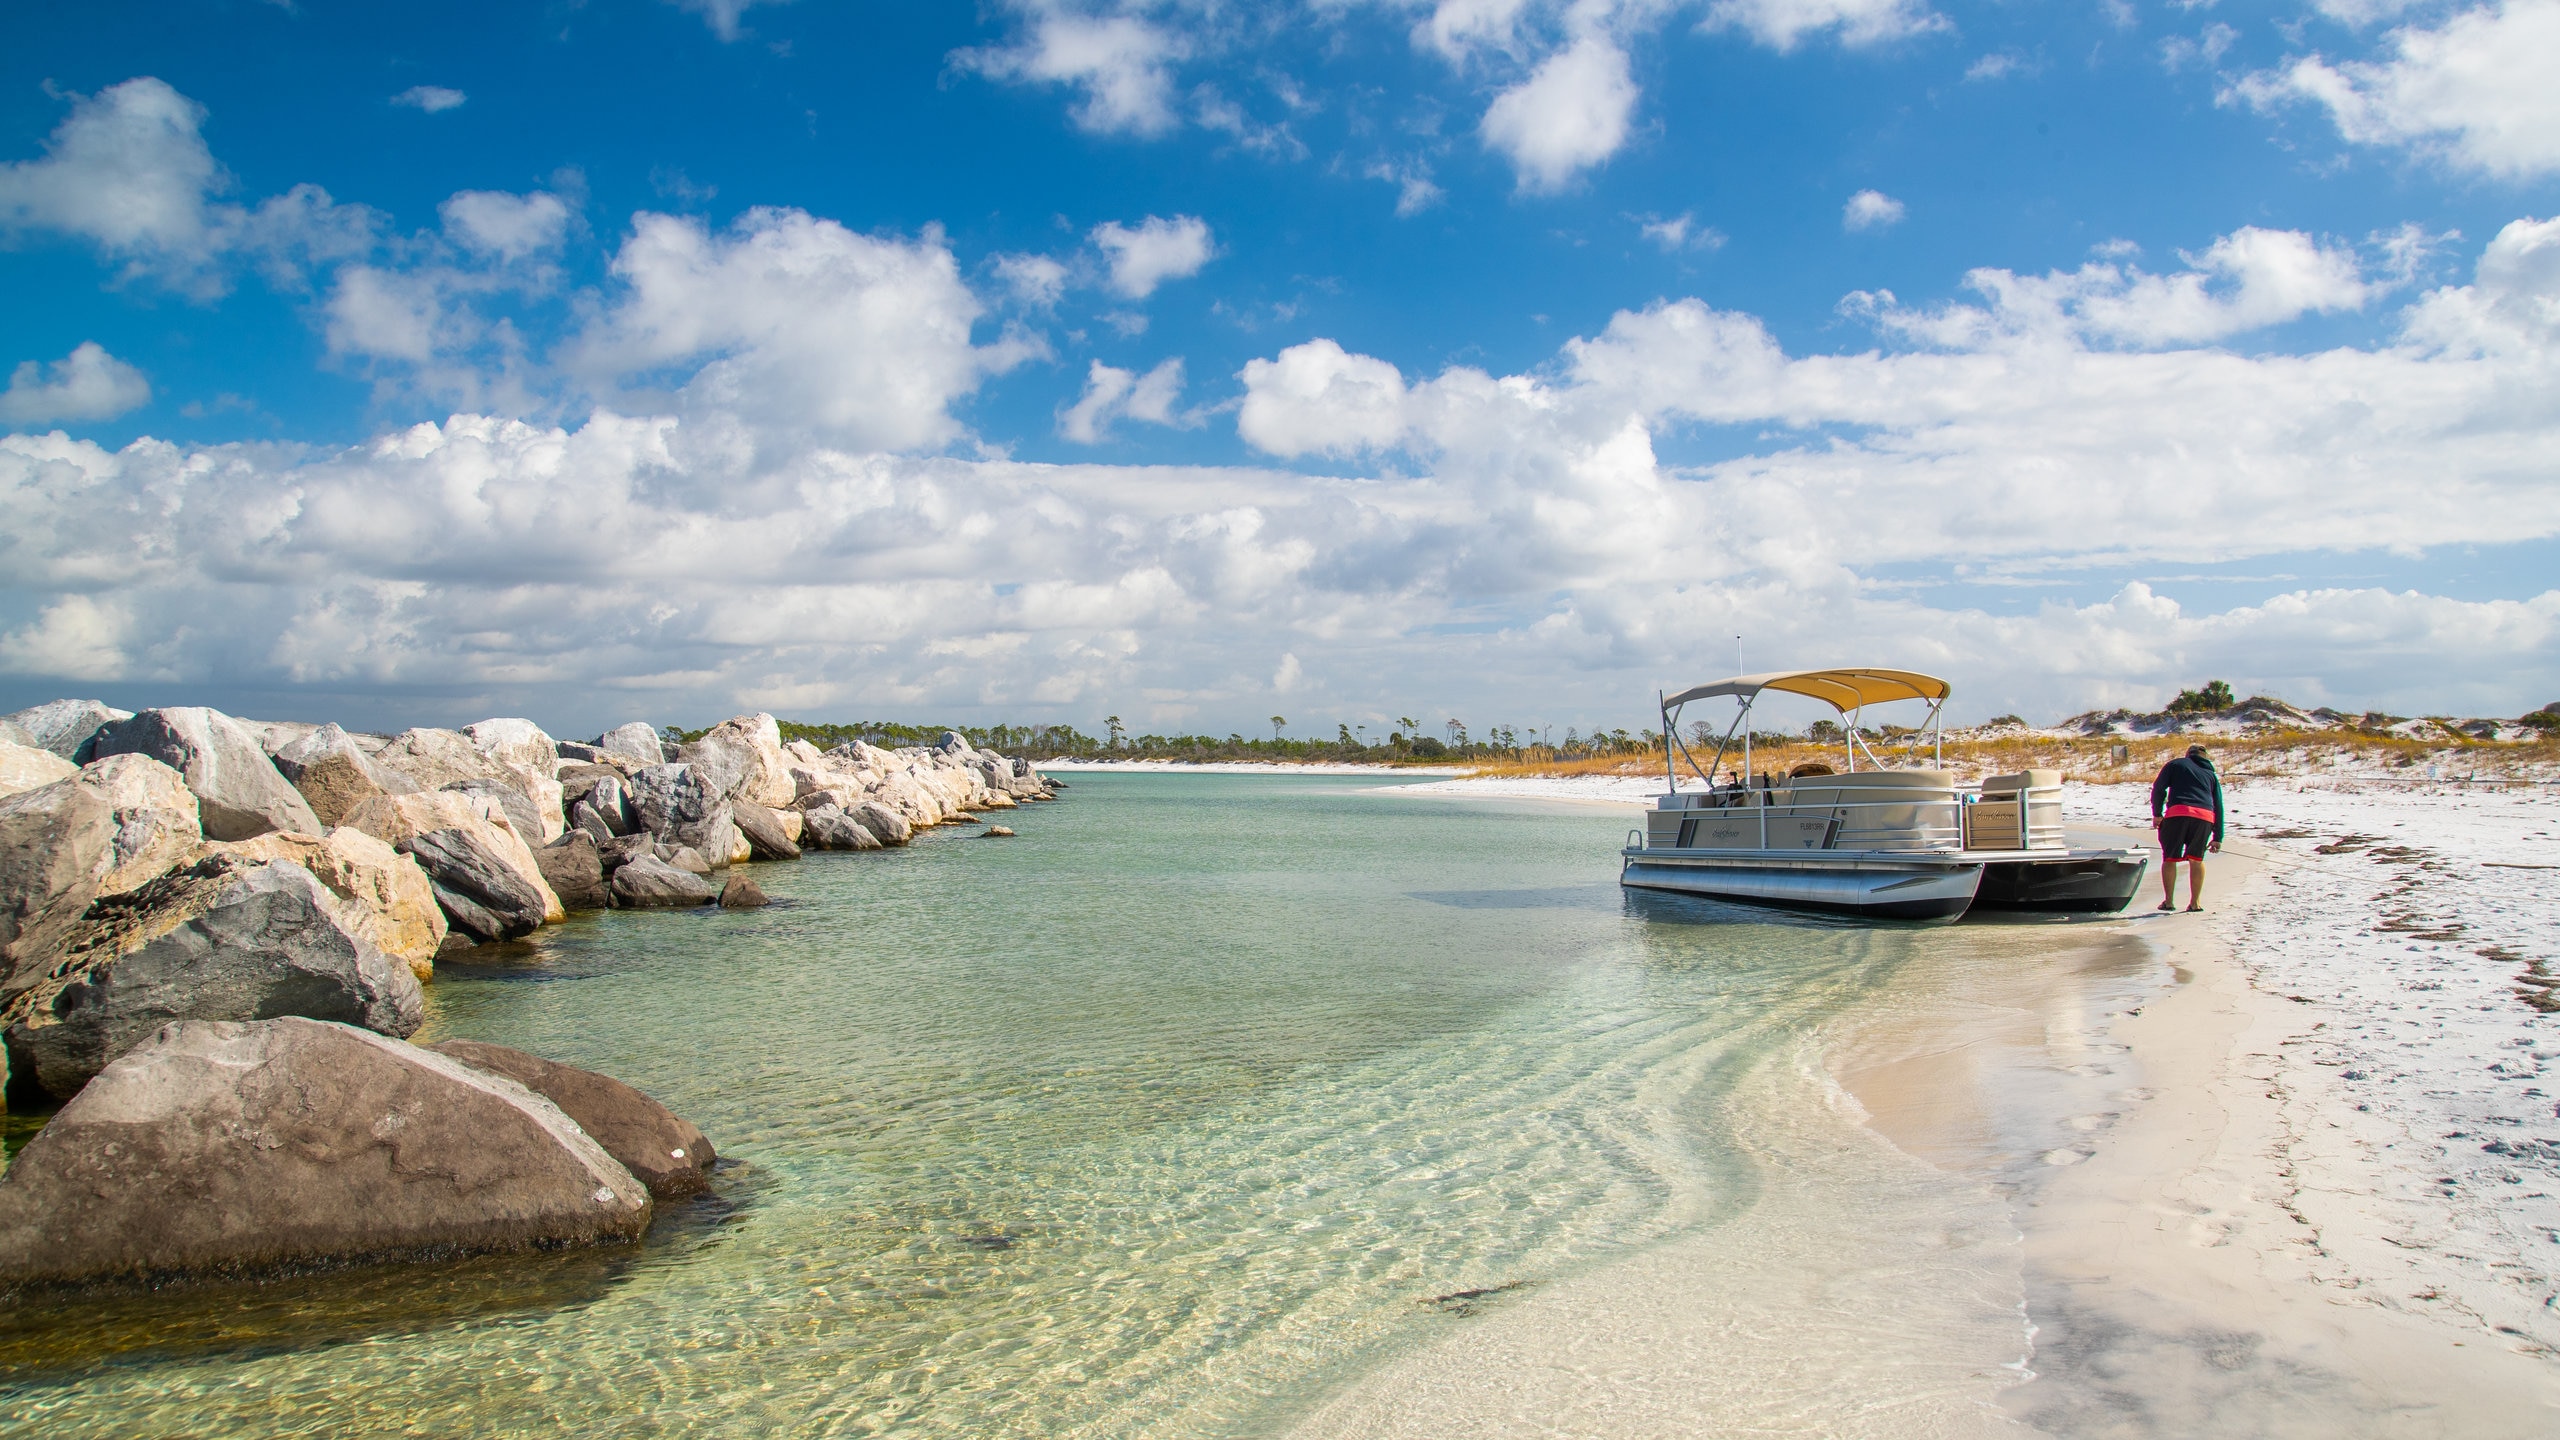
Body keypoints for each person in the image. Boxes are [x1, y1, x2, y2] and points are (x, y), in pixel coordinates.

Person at [2149, 743, 2224, 911]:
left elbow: (2159, 788)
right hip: (2204, 817)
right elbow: (2218, 805)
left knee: (2170, 858)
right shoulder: (2211, 775)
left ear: (2187, 754)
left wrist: (2157, 813)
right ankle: (2195, 903)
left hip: (2178, 814)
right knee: (2196, 859)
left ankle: (2169, 901)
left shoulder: (2176, 764)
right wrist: (2217, 837)